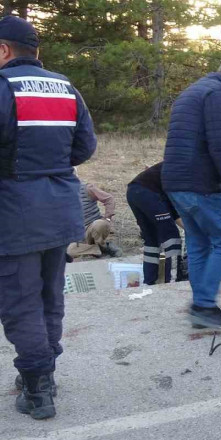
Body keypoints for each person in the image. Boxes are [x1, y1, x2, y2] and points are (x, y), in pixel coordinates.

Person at [0, 16, 97, 419]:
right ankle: (45, 369)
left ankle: (38, 386)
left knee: (20, 302)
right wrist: (52, 166)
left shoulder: (3, 88)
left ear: (4, 50)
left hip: (15, 214)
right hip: (60, 208)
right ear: (35, 51)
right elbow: (85, 147)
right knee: (49, 296)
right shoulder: (66, 88)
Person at [162, 59, 221, 328]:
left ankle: (202, 307)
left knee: (200, 243)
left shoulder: (193, 91)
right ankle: (203, 305)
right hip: (200, 182)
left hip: (175, 181)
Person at [127, 162, 183, 285]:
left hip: (133, 191)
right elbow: (174, 208)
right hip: (148, 193)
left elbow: (172, 211)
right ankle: (174, 279)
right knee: (172, 237)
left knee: (151, 238)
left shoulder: (175, 162)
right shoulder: (187, 168)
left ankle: (149, 281)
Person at [66, 178, 120, 258]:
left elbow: (109, 199)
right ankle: (100, 249)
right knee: (70, 251)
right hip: (79, 236)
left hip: (92, 227)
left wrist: (107, 218)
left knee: (99, 224)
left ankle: (102, 245)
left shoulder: (87, 188)